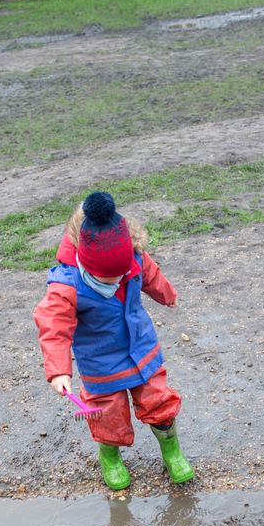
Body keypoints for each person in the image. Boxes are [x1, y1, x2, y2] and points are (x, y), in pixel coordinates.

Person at [33, 192, 193, 491]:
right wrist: (59, 370)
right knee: (108, 413)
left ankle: (172, 451)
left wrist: (166, 294)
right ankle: (110, 456)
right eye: (108, 278)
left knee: (158, 400)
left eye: (122, 275)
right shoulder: (67, 282)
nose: (117, 280)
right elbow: (53, 324)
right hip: (101, 361)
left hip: (141, 348)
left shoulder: (132, 256)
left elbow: (150, 274)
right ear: (84, 261)